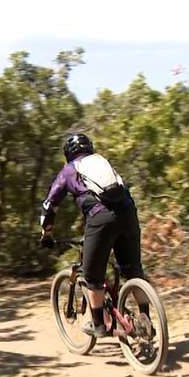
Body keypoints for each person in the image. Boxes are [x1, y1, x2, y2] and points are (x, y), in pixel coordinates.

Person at [39, 133, 145, 338]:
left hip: (100, 218)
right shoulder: (102, 162)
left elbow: (49, 205)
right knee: (133, 270)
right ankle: (145, 320)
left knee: (92, 276)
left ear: (68, 153)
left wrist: (46, 234)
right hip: (129, 214)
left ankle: (98, 325)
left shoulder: (69, 170)